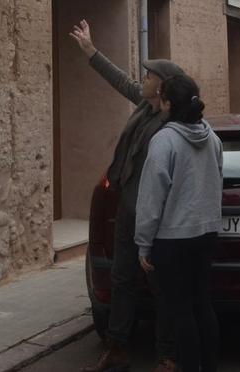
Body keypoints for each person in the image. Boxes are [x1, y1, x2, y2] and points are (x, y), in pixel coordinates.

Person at [69, 20, 184, 372]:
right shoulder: (145, 106)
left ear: (161, 86)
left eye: (149, 76)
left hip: (154, 216)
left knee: (160, 286)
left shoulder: (171, 122)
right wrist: (91, 51)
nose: (143, 79)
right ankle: (117, 347)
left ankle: (167, 355)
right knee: (122, 280)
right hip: (127, 210)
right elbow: (121, 81)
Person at [136, 74, 223, 372]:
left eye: (161, 96)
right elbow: (217, 181)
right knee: (202, 303)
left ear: (168, 103)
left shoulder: (164, 141)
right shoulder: (213, 138)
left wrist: (143, 244)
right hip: (207, 233)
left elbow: (151, 197)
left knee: (180, 311)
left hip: (172, 240)